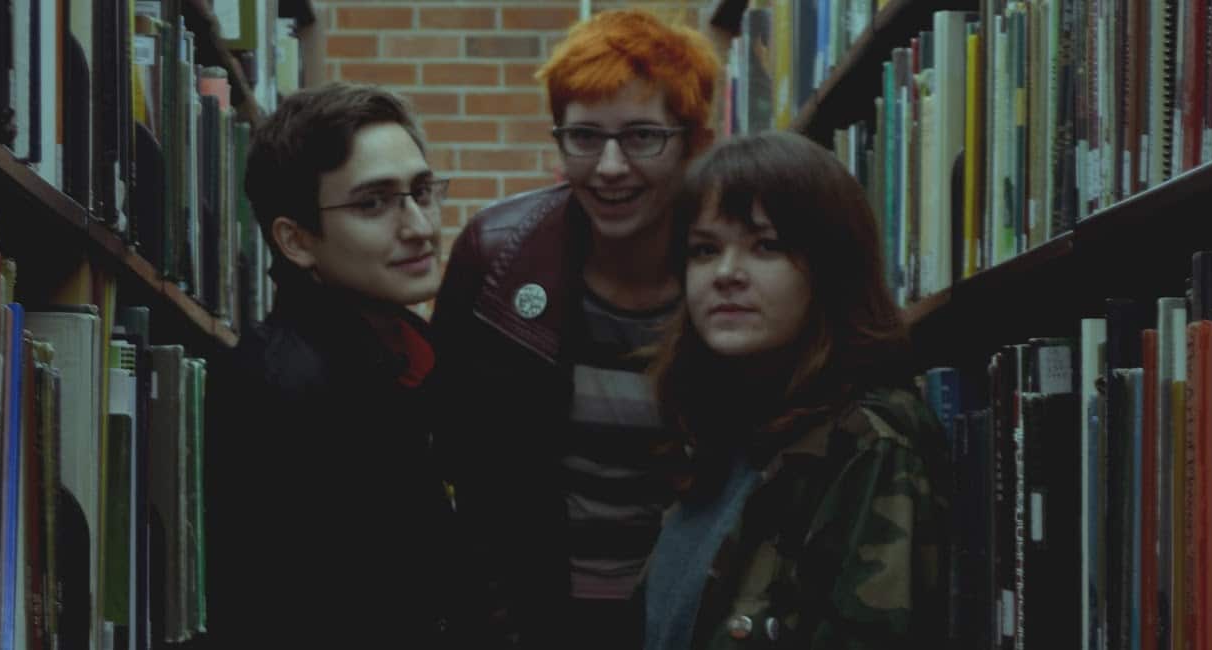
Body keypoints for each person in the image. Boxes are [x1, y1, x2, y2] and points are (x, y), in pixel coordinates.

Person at [429, 8, 721, 649]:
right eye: (584, 137)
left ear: (696, 142)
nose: (610, 166)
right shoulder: (496, 255)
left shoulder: (734, 270)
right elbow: (450, 446)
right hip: (533, 617)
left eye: (642, 136)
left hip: (689, 610)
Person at [203, 82, 491, 648]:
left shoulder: (412, 354)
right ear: (297, 240)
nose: (419, 227)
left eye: (422, 191)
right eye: (373, 203)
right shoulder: (279, 388)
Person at [641, 131, 950, 650]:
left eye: (766, 246)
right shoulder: (717, 437)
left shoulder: (868, 444)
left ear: (829, 268)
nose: (726, 274)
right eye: (704, 249)